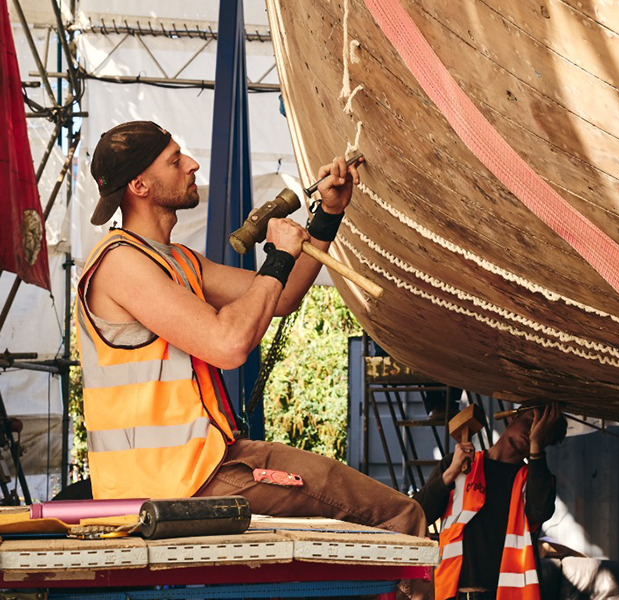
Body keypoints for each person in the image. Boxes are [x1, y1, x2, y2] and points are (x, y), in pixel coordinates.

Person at [76, 120, 427, 596]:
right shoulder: (120, 263)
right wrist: (277, 257)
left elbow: (281, 297)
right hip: (177, 482)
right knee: (400, 516)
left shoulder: (178, 261)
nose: (192, 165)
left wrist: (327, 215)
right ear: (140, 186)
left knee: (392, 513)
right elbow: (229, 345)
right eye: (175, 160)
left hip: (205, 465)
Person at [416, 404, 567, 600]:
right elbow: (419, 516)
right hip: (449, 592)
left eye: (541, 432)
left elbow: (540, 511)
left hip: (502, 595)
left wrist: (536, 448)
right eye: (530, 422)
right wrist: (450, 473)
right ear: (512, 418)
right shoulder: (459, 465)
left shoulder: (534, 481)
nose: (532, 432)